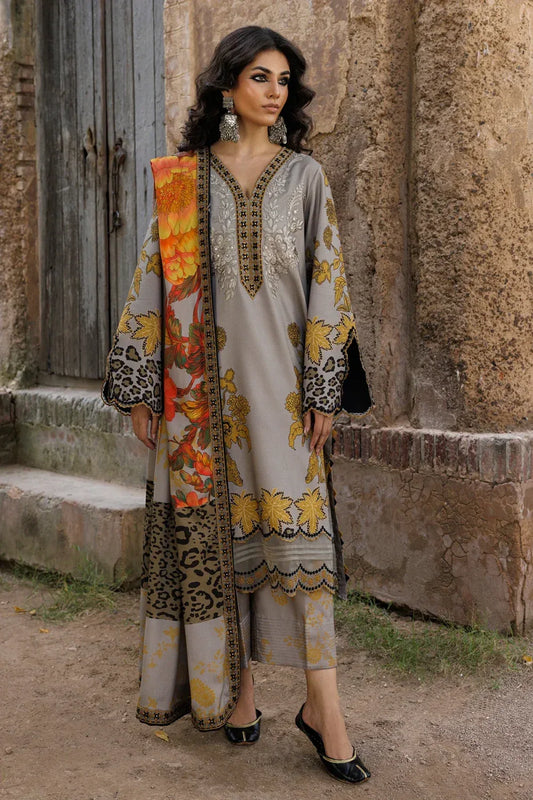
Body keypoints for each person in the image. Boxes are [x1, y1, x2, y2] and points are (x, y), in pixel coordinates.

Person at [102, 25, 372, 784]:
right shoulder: (182, 181)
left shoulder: (306, 177)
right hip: (198, 402)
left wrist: (323, 387)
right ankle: (240, 691)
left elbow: (329, 282)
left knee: (298, 544)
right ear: (227, 87)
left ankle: (324, 706)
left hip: (283, 399)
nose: (274, 91)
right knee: (221, 541)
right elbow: (152, 278)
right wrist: (141, 384)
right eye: (260, 76)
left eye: (284, 80)